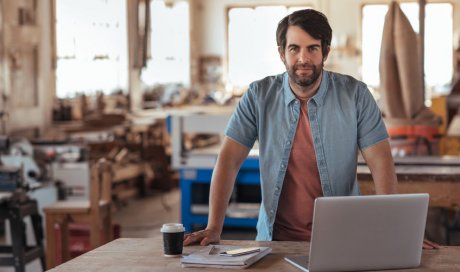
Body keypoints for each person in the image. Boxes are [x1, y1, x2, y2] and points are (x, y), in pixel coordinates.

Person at [183, 8, 436, 249]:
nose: (303, 58)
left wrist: (394, 230)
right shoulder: (258, 96)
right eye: (294, 48)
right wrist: (214, 226)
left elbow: (381, 161)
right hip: (274, 242)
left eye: (312, 48)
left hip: (343, 239)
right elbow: (228, 160)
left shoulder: (356, 95)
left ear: (325, 52)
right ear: (282, 53)